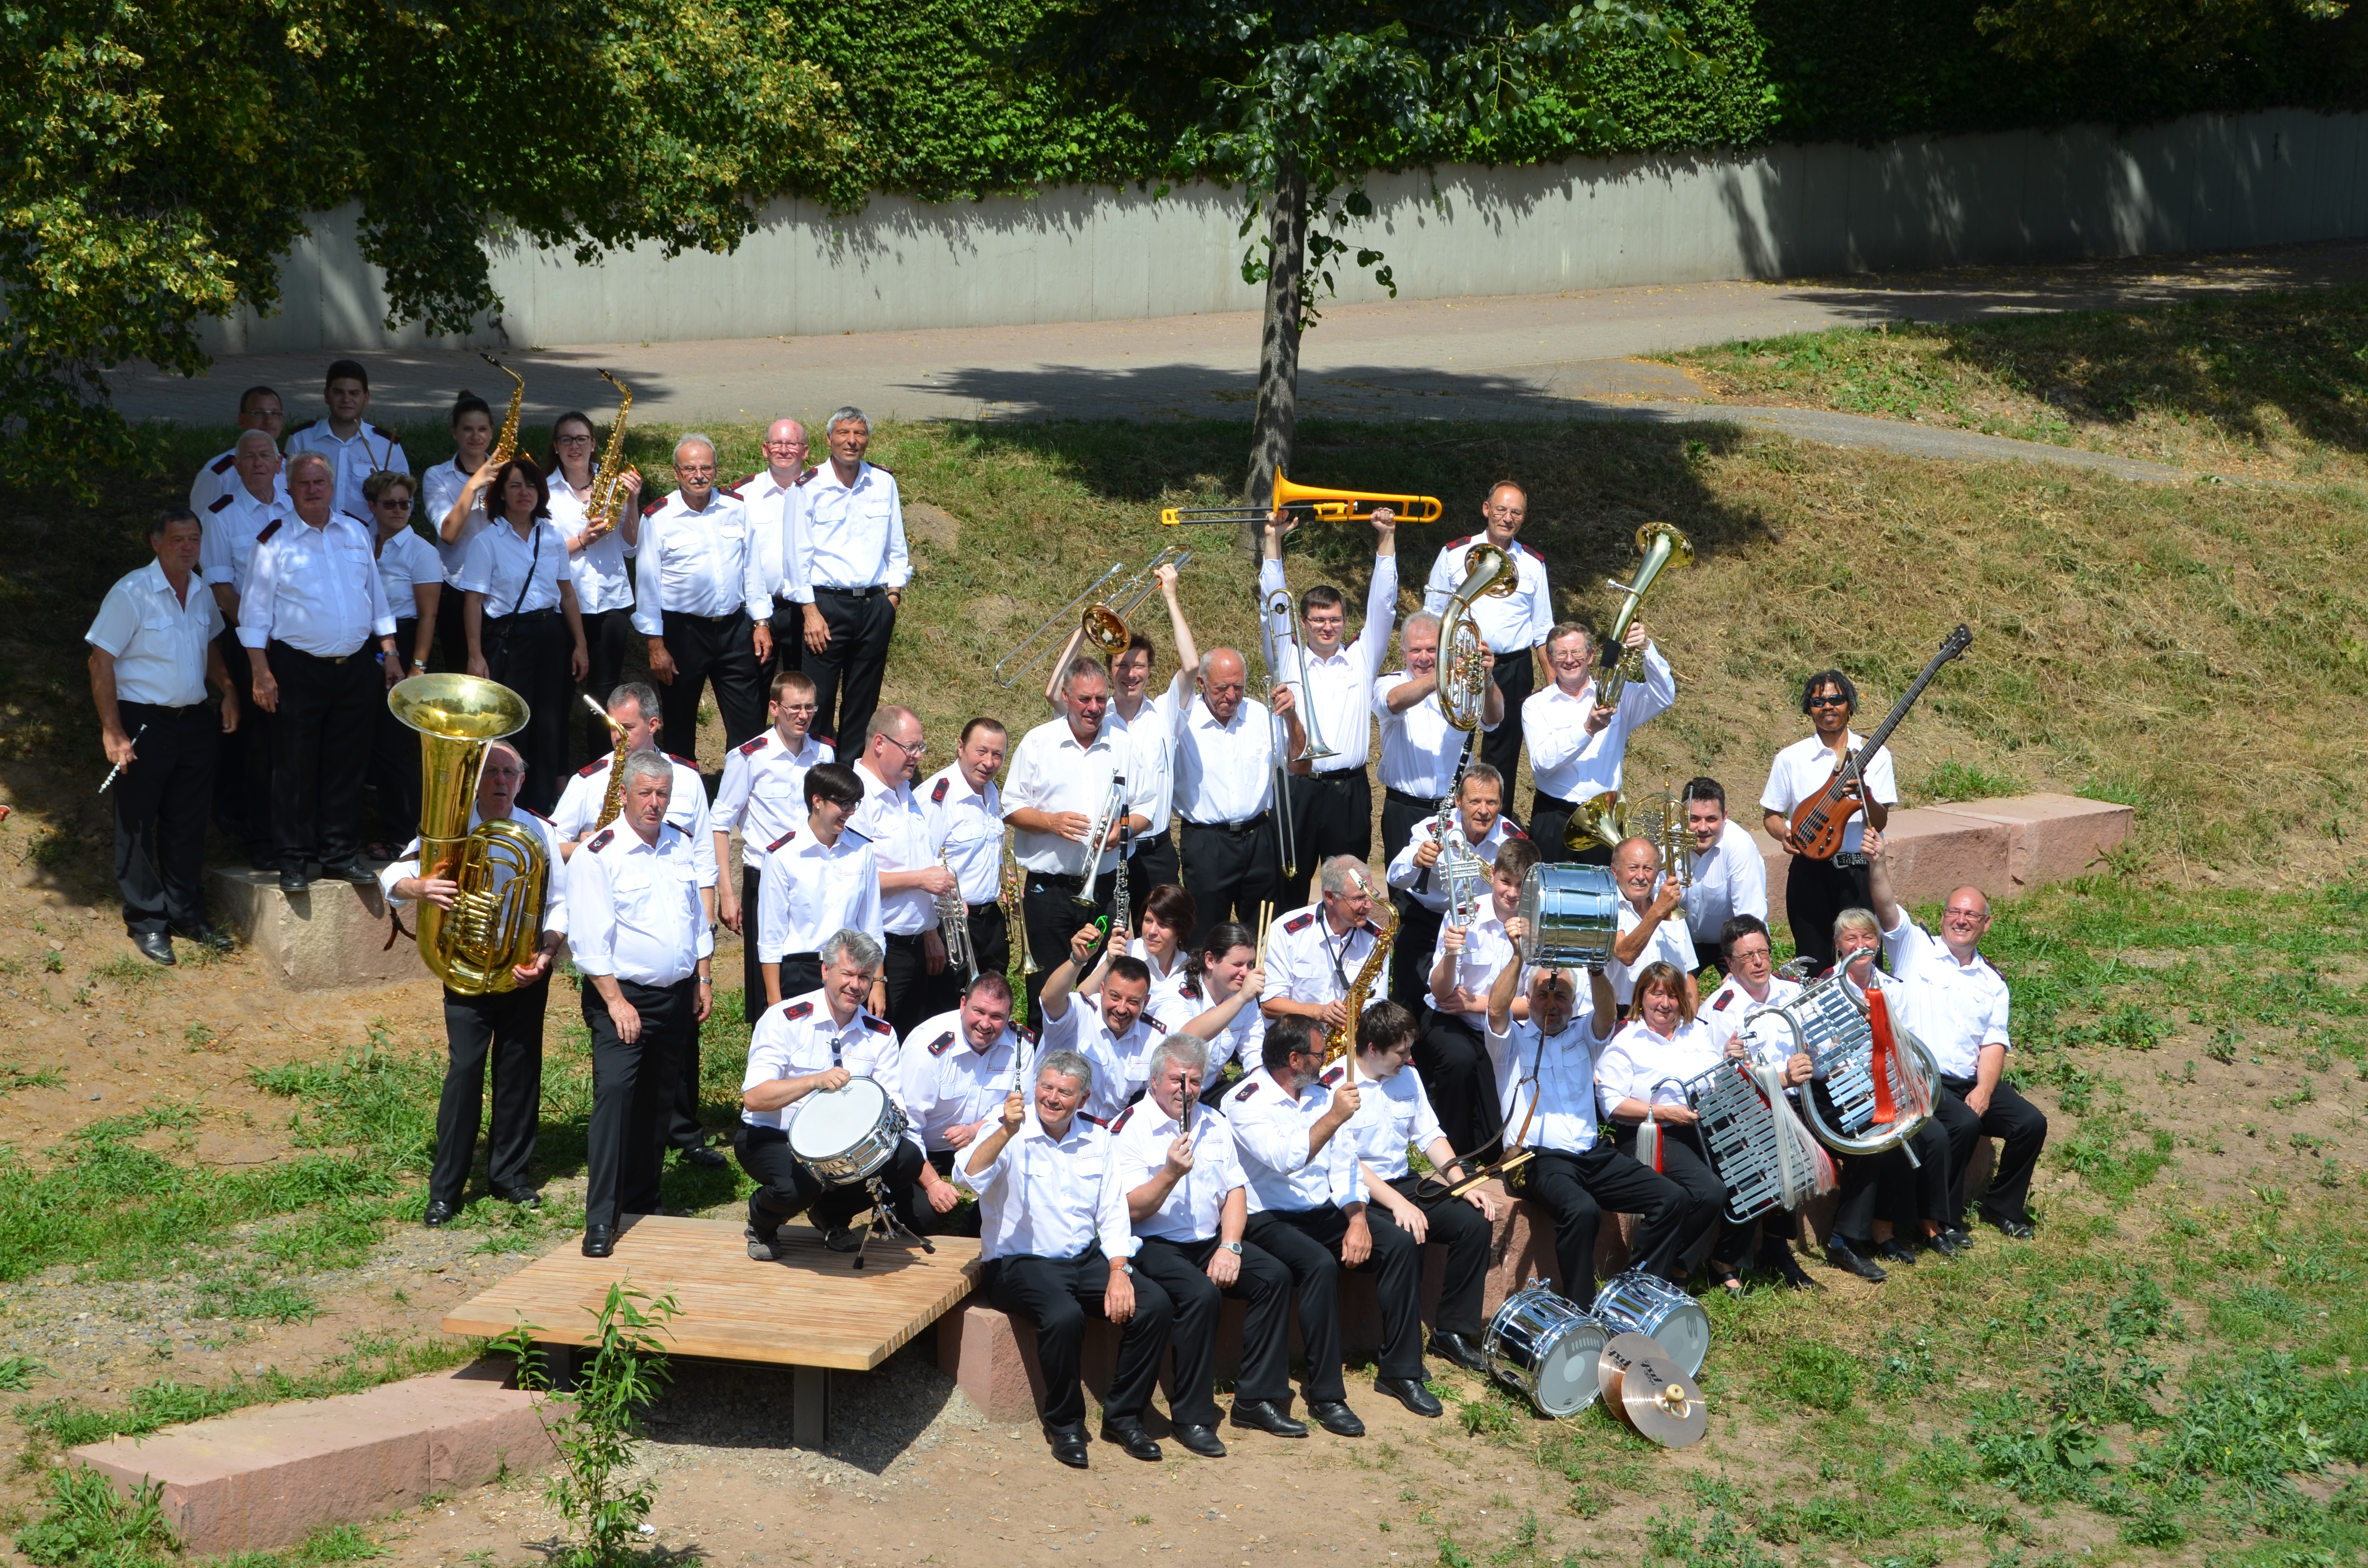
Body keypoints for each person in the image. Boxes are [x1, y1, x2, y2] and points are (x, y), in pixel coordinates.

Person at [959, 1048, 1176, 1469]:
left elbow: (1113, 1211)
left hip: (1083, 1258)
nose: (1053, 1098)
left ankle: (1124, 1417)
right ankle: (1066, 1425)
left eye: (1065, 1092)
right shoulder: (1006, 1125)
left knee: (1155, 1305)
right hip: (1019, 1263)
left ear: (1084, 1099)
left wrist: (1119, 1270)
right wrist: (1005, 1131)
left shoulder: (1098, 1137)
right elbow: (966, 1177)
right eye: (1047, 1087)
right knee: (1064, 1317)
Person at [380, 742, 567, 1224]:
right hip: (464, 972)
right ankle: (445, 1191)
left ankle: (510, 1177)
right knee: (465, 1072)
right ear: (476, 781)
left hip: (523, 971)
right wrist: (419, 888)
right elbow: (393, 874)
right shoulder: (451, 831)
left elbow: (562, 904)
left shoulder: (540, 831)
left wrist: (545, 954)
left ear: (522, 781)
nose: (502, 781)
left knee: (519, 1072)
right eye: (492, 772)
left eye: (511, 772)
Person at [1225, 1015, 1438, 1432]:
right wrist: (1336, 1115)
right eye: (1320, 1056)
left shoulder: (1321, 1094)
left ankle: (1401, 1371)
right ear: (1293, 1059)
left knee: (1397, 1243)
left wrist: (1357, 1218)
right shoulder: (1245, 1101)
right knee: (1318, 1265)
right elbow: (1286, 1158)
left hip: (1322, 1210)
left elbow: (1345, 1168)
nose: (1327, 1063)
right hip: (1268, 1215)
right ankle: (1327, 1397)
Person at [1110, 1033, 1300, 1450]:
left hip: (1208, 1240)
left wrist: (1231, 1246)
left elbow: (1236, 1190)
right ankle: (1192, 1416)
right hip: (1153, 1243)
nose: (1187, 1091)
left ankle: (1256, 1398)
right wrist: (1168, 1174)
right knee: (1201, 1296)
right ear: (1155, 1081)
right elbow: (1128, 1211)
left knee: (1274, 1276)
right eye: (1179, 1081)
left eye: (1195, 1082)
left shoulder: (1214, 1122)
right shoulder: (1129, 1127)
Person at [566, 750, 715, 1258]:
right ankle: (602, 1220)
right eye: (645, 793)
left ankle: (644, 1203)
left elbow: (694, 918)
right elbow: (588, 940)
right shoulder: (598, 854)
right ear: (625, 793)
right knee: (615, 1100)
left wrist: (703, 977)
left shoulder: (680, 844)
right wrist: (615, 1003)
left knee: (656, 1103)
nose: (654, 804)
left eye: (663, 794)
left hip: (675, 996)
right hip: (621, 999)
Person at [1480, 953, 1688, 1308]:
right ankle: (1582, 1307)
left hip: (1592, 1155)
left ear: (1573, 1003)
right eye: (1543, 994)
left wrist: (1595, 967)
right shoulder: (1510, 1043)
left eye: (1561, 995)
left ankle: (1636, 1292)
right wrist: (1517, 957)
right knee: (1582, 1209)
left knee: (1672, 1198)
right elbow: (1496, 1012)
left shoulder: (1583, 1034)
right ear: (1527, 999)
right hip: (1538, 1160)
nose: (1552, 1003)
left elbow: (1608, 1015)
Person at [1868, 836, 2046, 1241]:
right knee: (1964, 1123)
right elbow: (1886, 907)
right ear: (1944, 915)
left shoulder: (1993, 983)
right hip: (1922, 1078)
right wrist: (1877, 864)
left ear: (1986, 923)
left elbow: (1993, 1043)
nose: (1960, 920)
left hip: (1969, 1078)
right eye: (1954, 912)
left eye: (1971, 915)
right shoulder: (1915, 949)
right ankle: (1941, 1219)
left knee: (2030, 1123)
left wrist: (1985, 1090)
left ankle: (2004, 1207)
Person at [238, 452, 401, 893]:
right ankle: (293, 859)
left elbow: (376, 597)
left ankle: (340, 855)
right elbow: (254, 615)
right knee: (294, 767)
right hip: (297, 669)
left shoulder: (354, 531)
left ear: (332, 487)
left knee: (346, 767)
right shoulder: (273, 541)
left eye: (321, 482)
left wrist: (389, 651)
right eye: (304, 483)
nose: (313, 489)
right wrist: (260, 672)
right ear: (289, 489)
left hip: (355, 669)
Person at [86, 508, 240, 964]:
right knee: (136, 823)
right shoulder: (132, 592)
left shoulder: (202, 592)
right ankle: (147, 921)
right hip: (143, 721)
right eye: (178, 539)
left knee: (189, 822)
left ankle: (187, 914)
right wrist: (113, 731)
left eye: (195, 539)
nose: (189, 547)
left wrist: (229, 689)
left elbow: (210, 645)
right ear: (156, 543)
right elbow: (100, 661)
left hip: (193, 721)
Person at [1787, 902, 1954, 1283]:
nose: (1860, 944)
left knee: (1935, 1136)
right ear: (1839, 945)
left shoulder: (1892, 988)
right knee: (1878, 1141)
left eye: (1868, 937)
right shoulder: (1820, 991)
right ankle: (1845, 1239)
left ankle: (1891, 1227)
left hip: (1889, 1087)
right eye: (1851, 938)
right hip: (1838, 1092)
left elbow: (1909, 1045)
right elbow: (1821, 1057)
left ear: (1878, 944)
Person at [738, 928, 929, 1254]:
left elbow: (894, 1104)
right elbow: (754, 1097)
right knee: (799, 1186)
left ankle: (830, 1215)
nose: (856, 986)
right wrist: (813, 1081)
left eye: (865, 977)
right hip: (773, 1135)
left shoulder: (881, 1035)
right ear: (825, 971)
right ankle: (762, 1221)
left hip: (845, 1148)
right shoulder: (784, 1019)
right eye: (847, 974)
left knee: (907, 1158)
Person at [1339, 1001, 1499, 1373]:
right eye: (1402, 1051)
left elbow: (1429, 1135)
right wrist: (1397, 1205)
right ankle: (1402, 1349)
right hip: (1358, 1193)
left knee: (1473, 1221)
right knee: (1405, 1237)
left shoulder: (1407, 1077)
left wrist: (1462, 1183)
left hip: (1402, 1180)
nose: (1410, 1057)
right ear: (1373, 1049)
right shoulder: (1339, 1081)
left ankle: (1452, 1334)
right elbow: (1345, 1161)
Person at [1258, 508, 1398, 906]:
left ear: (1344, 621)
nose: (1327, 627)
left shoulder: (1362, 657)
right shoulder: (1287, 654)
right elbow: (1274, 604)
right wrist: (1273, 542)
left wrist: (1386, 539)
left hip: (1347, 791)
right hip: (1297, 788)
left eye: (1334, 620)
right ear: (1303, 623)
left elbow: (1384, 607)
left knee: (1350, 891)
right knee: (1287, 887)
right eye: (1318, 620)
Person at [1004, 659, 1146, 1026]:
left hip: (1104, 888)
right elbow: (1011, 807)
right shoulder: (1038, 741)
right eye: (1085, 699)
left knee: (1105, 991)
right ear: (1065, 696)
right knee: (1046, 995)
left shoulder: (1123, 743)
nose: (1094, 708)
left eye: (1101, 699)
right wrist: (1049, 822)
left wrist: (1123, 831)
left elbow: (1147, 806)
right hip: (1048, 891)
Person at [1695, 915, 1821, 1289]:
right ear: (1730, 965)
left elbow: (1819, 1044)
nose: (1759, 962)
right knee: (1773, 1148)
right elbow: (1721, 1081)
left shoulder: (1791, 993)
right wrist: (1780, 1077)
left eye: (1763, 952)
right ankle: (1769, 1251)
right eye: (1747, 956)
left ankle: (1849, 1238)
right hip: (1748, 1109)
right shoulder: (1720, 1009)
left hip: (1804, 1097)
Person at [458, 456, 589, 812]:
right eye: (515, 485)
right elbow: (473, 602)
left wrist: (579, 644)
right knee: (512, 723)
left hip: (551, 635)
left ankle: (540, 807)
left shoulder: (551, 536)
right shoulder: (487, 542)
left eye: (531, 485)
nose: (524, 493)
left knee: (550, 724)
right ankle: (502, 805)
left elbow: (567, 594)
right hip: (508, 639)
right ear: (501, 493)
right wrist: (475, 654)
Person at [1595, 960, 1736, 1288]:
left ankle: (1726, 1261)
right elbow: (1612, 1105)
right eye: (1655, 994)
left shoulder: (1697, 1031)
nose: (1664, 1003)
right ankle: (1677, 1271)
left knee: (1752, 1172)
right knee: (1709, 1192)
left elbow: (1717, 1073)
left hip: (1700, 1127)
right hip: (1652, 1134)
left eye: (1672, 996)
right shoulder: (1626, 1040)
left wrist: (1730, 1058)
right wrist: (1665, 1113)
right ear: (1640, 998)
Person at [632, 432, 771, 763]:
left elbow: (752, 567)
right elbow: (648, 585)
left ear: (716, 470)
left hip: (735, 629)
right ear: (677, 473)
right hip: (684, 632)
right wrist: (655, 644)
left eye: (706, 468)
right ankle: (683, 802)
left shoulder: (735, 507)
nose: (699, 475)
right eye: (690, 468)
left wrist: (762, 621)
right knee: (679, 724)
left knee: (748, 722)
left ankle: (743, 799)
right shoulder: (658, 517)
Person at [1761, 669, 1896, 971]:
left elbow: (1880, 821)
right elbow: (1771, 815)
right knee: (1813, 962)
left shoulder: (1876, 755)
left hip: (1859, 870)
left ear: (1849, 705)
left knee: (1863, 962)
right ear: (1809, 709)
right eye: (1818, 701)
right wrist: (1783, 832)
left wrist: (1865, 796)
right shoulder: (1791, 758)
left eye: (1836, 699)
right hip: (1810, 870)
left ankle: (1867, 1017)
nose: (1828, 707)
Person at [714, 670, 835, 1004]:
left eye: (810, 708)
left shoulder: (824, 755)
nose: (803, 715)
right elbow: (720, 825)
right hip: (766, 881)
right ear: (774, 708)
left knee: (815, 974)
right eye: (794, 707)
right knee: (769, 984)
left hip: (814, 877)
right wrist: (728, 892)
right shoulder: (750, 757)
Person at [200, 428, 290, 868]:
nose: (258, 463)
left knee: (295, 740)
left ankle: (293, 831)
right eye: (249, 457)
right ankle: (257, 835)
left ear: (279, 464)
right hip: (246, 641)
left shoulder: (299, 507)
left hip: (297, 644)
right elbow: (220, 588)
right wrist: (260, 635)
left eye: (265, 456)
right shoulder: (222, 515)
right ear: (235, 466)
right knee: (255, 741)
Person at [1419, 482, 1550, 784]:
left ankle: (1497, 825)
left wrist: (1554, 686)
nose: (1507, 518)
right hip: (1461, 663)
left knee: (1503, 757)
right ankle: (1446, 813)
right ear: (1486, 509)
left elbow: (1543, 630)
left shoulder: (1533, 564)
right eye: (1501, 509)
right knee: (1450, 744)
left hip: (1513, 668)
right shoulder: (1454, 554)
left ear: (1524, 516)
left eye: (1516, 512)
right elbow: (1433, 616)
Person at [794, 407, 908, 751]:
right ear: (829, 440)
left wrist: (893, 599)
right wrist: (810, 611)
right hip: (826, 606)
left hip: (874, 605)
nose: (852, 441)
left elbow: (897, 548)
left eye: (859, 434)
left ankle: (851, 778)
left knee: (863, 698)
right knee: (819, 699)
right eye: (844, 433)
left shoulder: (883, 482)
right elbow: (795, 556)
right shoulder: (808, 486)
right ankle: (817, 773)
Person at [1424, 838, 1542, 1161]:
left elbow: (1533, 1005)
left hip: (1504, 1026)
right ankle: (1453, 1155)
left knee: (1495, 1136)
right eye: (1506, 882)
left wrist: (1476, 1003)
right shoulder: (1464, 912)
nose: (1512, 893)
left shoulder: (1538, 925)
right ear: (1492, 874)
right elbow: (1440, 992)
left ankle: (1488, 1153)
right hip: (1453, 1020)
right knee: (1460, 1061)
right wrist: (1450, 953)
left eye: (1521, 885)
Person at [1173, 648, 1300, 945]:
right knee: (1204, 934)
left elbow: (1299, 765)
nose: (1231, 696)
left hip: (1258, 839)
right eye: (1221, 688)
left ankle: (1258, 991)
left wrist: (1293, 718)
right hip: (1207, 842)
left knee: (1262, 935)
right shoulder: (1181, 720)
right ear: (1202, 684)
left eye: (1239, 687)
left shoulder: (1261, 715)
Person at [553, 684, 719, 906]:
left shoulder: (686, 777)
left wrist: (708, 923)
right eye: (614, 728)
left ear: (653, 725)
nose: (618, 737)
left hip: (675, 904)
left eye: (627, 728)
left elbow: (704, 854)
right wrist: (580, 847)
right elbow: (551, 843)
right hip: (610, 904)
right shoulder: (588, 781)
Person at [1523, 621, 1671, 865]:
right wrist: (1588, 730)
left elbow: (1664, 696)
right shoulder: (1535, 705)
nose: (1570, 660)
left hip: (1605, 817)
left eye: (1577, 652)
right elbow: (1543, 763)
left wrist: (1646, 648)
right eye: (1561, 654)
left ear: (1591, 656)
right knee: (1547, 896)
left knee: (1604, 895)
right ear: (1550, 660)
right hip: (1553, 816)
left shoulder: (1618, 696)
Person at [848, 706, 957, 1037]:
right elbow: (854, 883)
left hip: (915, 946)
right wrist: (922, 880)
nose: (918, 757)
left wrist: (930, 930)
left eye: (920, 748)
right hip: (881, 951)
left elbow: (920, 860)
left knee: (912, 1041)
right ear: (880, 743)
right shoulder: (857, 798)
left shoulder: (904, 791)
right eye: (911, 747)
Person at [541, 410, 643, 761]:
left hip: (612, 601)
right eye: (566, 439)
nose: (575, 446)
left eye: (581, 439)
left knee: (605, 695)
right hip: (564, 606)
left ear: (594, 444)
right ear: (555, 446)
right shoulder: (544, 492)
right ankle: (557, 779)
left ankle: (601, 772)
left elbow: (631, 545)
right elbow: (542, 553)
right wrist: (582, 540)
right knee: (560, 693)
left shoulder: (612, 483)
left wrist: (632, 501)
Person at [899, 971, 1032, 1238]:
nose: (985, 1024)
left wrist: (976, 1130)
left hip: (982, 1139)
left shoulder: (1020, 1043)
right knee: (924, 1215)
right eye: (978, 1012)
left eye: (997, 1017)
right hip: (923, 1147)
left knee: (1024, 1175)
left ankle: (977, 1224)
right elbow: (906, 1125)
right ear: (962, 1005)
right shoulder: (928, 1047)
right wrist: (933, 1183)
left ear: (1008, 1017)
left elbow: (1019, 1104)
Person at [1384, 760, 1523, 1009]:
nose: (1484, 810)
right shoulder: (1433, 828)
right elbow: (1395, 877)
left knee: (1462, 994)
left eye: (1491, 802)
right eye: (1475, 801)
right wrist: (1417, 861)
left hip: (1475, 925)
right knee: (1410, 995)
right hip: (1428, 916)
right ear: (1458, 802)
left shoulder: (1512, 839)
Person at [1374, 608, 1503, 876]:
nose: (1423, 658)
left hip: (1457, 812)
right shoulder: (1389, 684)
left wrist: (1487, 679)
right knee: (1404, 891)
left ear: (1444, 650)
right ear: (1403, 653)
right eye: (1415, 650)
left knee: (1455, 893)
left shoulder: (1466, 685)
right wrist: (1444, 674)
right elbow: (1393, 702)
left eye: (1432, 650)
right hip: (1405, 809)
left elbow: (1494, 719)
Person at [754, 761, 882, 1009]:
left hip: (850, 972)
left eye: (854, 804)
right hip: (801, 972)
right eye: (843, 804)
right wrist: (774, 1001)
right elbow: (771, 936)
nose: (850, 812)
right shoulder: (782, 855)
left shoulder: (862, 850)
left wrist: (878, 982)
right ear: (817, 801)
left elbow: (872, 925)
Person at [361, 470, 442, 858]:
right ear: (372, 506)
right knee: (369, 741)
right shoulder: (360, 541)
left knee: (392, 744)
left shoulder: (421, 552)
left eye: (405, 504)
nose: (398, 511)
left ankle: (404, 833)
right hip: (363, 642)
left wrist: (418, 667)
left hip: (404, 641)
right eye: (390, 503)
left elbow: (428, 615)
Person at [1038, 925, 1163, 1122]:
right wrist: (1077, 960)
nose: (1121, 1009)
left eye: (1133, 1002)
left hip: (1109, 1138)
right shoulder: (1080, 1013)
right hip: (1055, 1125)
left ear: (1145, 1003)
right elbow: (1049, 999)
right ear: (1102, 990)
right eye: (1115, 997)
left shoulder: (1154, 1037)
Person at [921, 718, 1012, 987]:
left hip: (990, 920)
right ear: (961, 748)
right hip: (951, 924)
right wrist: (929, 933)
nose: (989, 762)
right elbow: (922, 866)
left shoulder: (991, 790)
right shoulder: (937, 797)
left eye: (998, 755)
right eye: (981, 751)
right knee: (949, 1004)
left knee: (992, 1002)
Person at [1261, 856, 1387, 1034]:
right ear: (1330, 897)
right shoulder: (1286, 931)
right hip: (1292, 1040)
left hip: (1350, 1043)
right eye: (1358, 898)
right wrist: (1319, 1012)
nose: (1368, 906)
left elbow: (1375, 1004)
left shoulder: (1377, 939)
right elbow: (1269, 1004)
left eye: (1370, 896)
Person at [420, 391, 497, 672]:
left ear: (492, 432)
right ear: (454, 432)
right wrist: (473, 485)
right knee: (461, 672)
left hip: (502, 587)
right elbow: (449, 534)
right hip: (457, 587)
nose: (475, 437)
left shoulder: (509, 473)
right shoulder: (436, 476)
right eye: (467, 429)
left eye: (482, 429)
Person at [284, 359, 408, 524]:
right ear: (327, 396)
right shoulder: (301, 439)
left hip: (367, 542)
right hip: (310, 538)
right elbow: (284, 493)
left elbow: (405, 504)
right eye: (339, 392)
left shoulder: (387, 446)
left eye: (354, 393)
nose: (346, 399)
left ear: (366, 398)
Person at [739, 418, 814, 689]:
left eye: (792, 444)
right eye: (777, 444)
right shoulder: (743, 495)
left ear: (805, 451)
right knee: (754, 691)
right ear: (765, 449)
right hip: (758, 609)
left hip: (807, 609)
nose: (784, 450)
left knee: (804, 691)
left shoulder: (820, 491)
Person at [1173, 921, 1269, 1105]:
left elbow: (1254, 1051)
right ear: (1210, 960)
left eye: (1250, 964)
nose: (1246, 973)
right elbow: (1184, 1040)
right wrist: (1240, 999)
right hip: (1170, 1095)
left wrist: (1264, 1092)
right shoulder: (1177, 993)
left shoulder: (1242, 995)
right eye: (1237, 964)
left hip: (1207, 1091)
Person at [1680, 778, 1767, 975]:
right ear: (1681, 816)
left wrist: (1741, 976)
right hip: (1681, 938)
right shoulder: (1668, 843)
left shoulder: (1740, 847)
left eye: (1711, 819)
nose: (1703, 828)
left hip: (1731, 941)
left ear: (1725, 816)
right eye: (1694, 819)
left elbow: (1749, 917)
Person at [1606, 834, 1700, 1011]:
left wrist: (1693, 1021)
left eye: (1648, 868)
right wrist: (1659, 910)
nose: (1640, 876)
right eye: (1633, 868)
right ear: (1615, 871)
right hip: (1625, 1015)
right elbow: (1625, 954)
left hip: (1672, 1014)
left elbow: (1688, 973)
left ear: (1657, 873)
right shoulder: (1607, 907)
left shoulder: (1670, 906)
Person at [188, 385, 286, 515]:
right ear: (242, 420)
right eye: (258, 413)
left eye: (275, 414)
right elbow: (200, 527)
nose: (268, 421)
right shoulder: (217, 475)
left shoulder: (291, 468)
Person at [1128, 884, 1196, 1019]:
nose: (1152, 931)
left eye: (1163, 924)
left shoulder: (1189, 968)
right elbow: (1083, 1001)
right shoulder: (1125, 953)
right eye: (1148, 921)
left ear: (1181, 929)